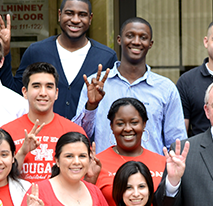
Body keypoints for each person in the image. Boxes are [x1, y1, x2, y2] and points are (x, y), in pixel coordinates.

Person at [74, 18, 187, 154]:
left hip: (151, 172)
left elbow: (176, 144)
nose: (136, 41)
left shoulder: (166, 88)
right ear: (119, 39)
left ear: (150, 44)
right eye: (130, 36)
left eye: (143, 37)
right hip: (105, 172)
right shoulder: (96, 84)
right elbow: (78, 137)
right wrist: (91, 107)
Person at [0, 0, 117, 119]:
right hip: (42, 135)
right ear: (59, 15)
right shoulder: (36, 51)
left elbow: (113, 104)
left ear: (90, 18)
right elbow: (13, 92)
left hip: (87, 137)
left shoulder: (106, 57)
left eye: (82, 14)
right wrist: (4, 53)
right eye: (69, 13)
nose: (75, 20)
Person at [1, 62, 88, 182]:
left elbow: (81, 178)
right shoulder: (6, 133)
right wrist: (22, 152)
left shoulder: (74, 131)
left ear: (56, 93)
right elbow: (0, 177)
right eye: (36, 86)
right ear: (25, 92)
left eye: (49, 86)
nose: (43, 93)